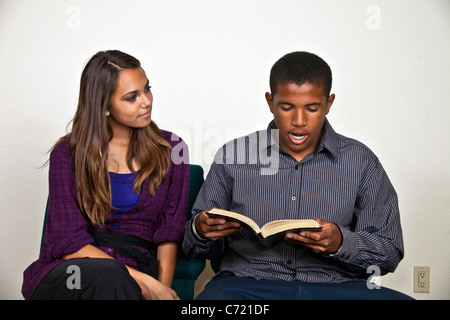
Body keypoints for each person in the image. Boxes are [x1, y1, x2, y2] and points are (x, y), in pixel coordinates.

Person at [182, 51, 413, 299]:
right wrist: (200, 230)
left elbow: (389, 252)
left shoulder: (362, 161)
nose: (299, 120)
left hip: (338, 287)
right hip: (247, 285)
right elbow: (192, 247)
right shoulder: (233, 156)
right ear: (270, 102)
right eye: (286, 107)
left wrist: (341, 243)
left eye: (312, 108)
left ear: (329, 103)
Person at [22, 50, 189, 300]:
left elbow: (169, 233)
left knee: (115, 280)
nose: (146, 101)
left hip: (133, 269)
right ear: (104, 107)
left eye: (147, 89)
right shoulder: (67, 154)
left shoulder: (172, 149)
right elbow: (69, 242)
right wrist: (144, 281)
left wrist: (161, 288)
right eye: (132, 97)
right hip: (72, 273)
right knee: (110, 274)